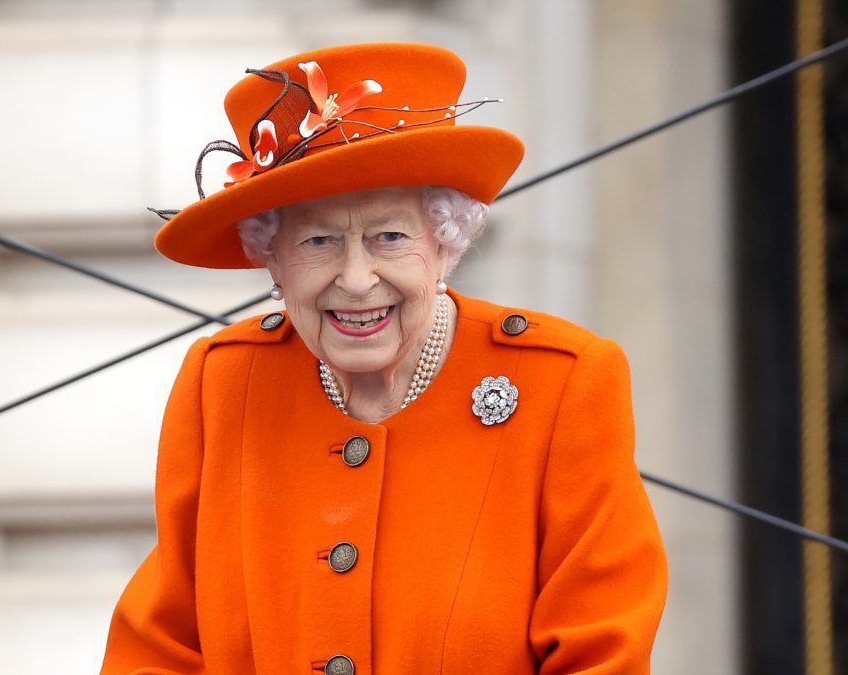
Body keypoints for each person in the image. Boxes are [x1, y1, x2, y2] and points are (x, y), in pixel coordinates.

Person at [100, 42, 667, 674]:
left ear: (446, 242)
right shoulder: (224, 380)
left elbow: (601, 651)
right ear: (273, 260)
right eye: (318, 241)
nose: (358, 279)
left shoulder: (560, 382)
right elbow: (160, 647)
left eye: (388, 237)